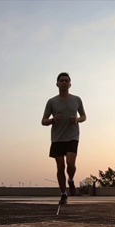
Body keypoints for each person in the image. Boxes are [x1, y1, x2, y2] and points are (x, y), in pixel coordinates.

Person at [42, 72, 86, 204]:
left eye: (66, 81)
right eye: (61, 81)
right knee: (60, 167)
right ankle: (63, 194)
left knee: (70, 164)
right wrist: (52, 120)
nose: (64, 83)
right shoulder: (51, 101)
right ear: (57, 84)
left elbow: (84, 116)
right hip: (57, 138)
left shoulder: (76, 99)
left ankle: (71, 180)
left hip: (72, 136)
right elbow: (43, 121)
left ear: (70, 84)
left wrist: (77, 119)